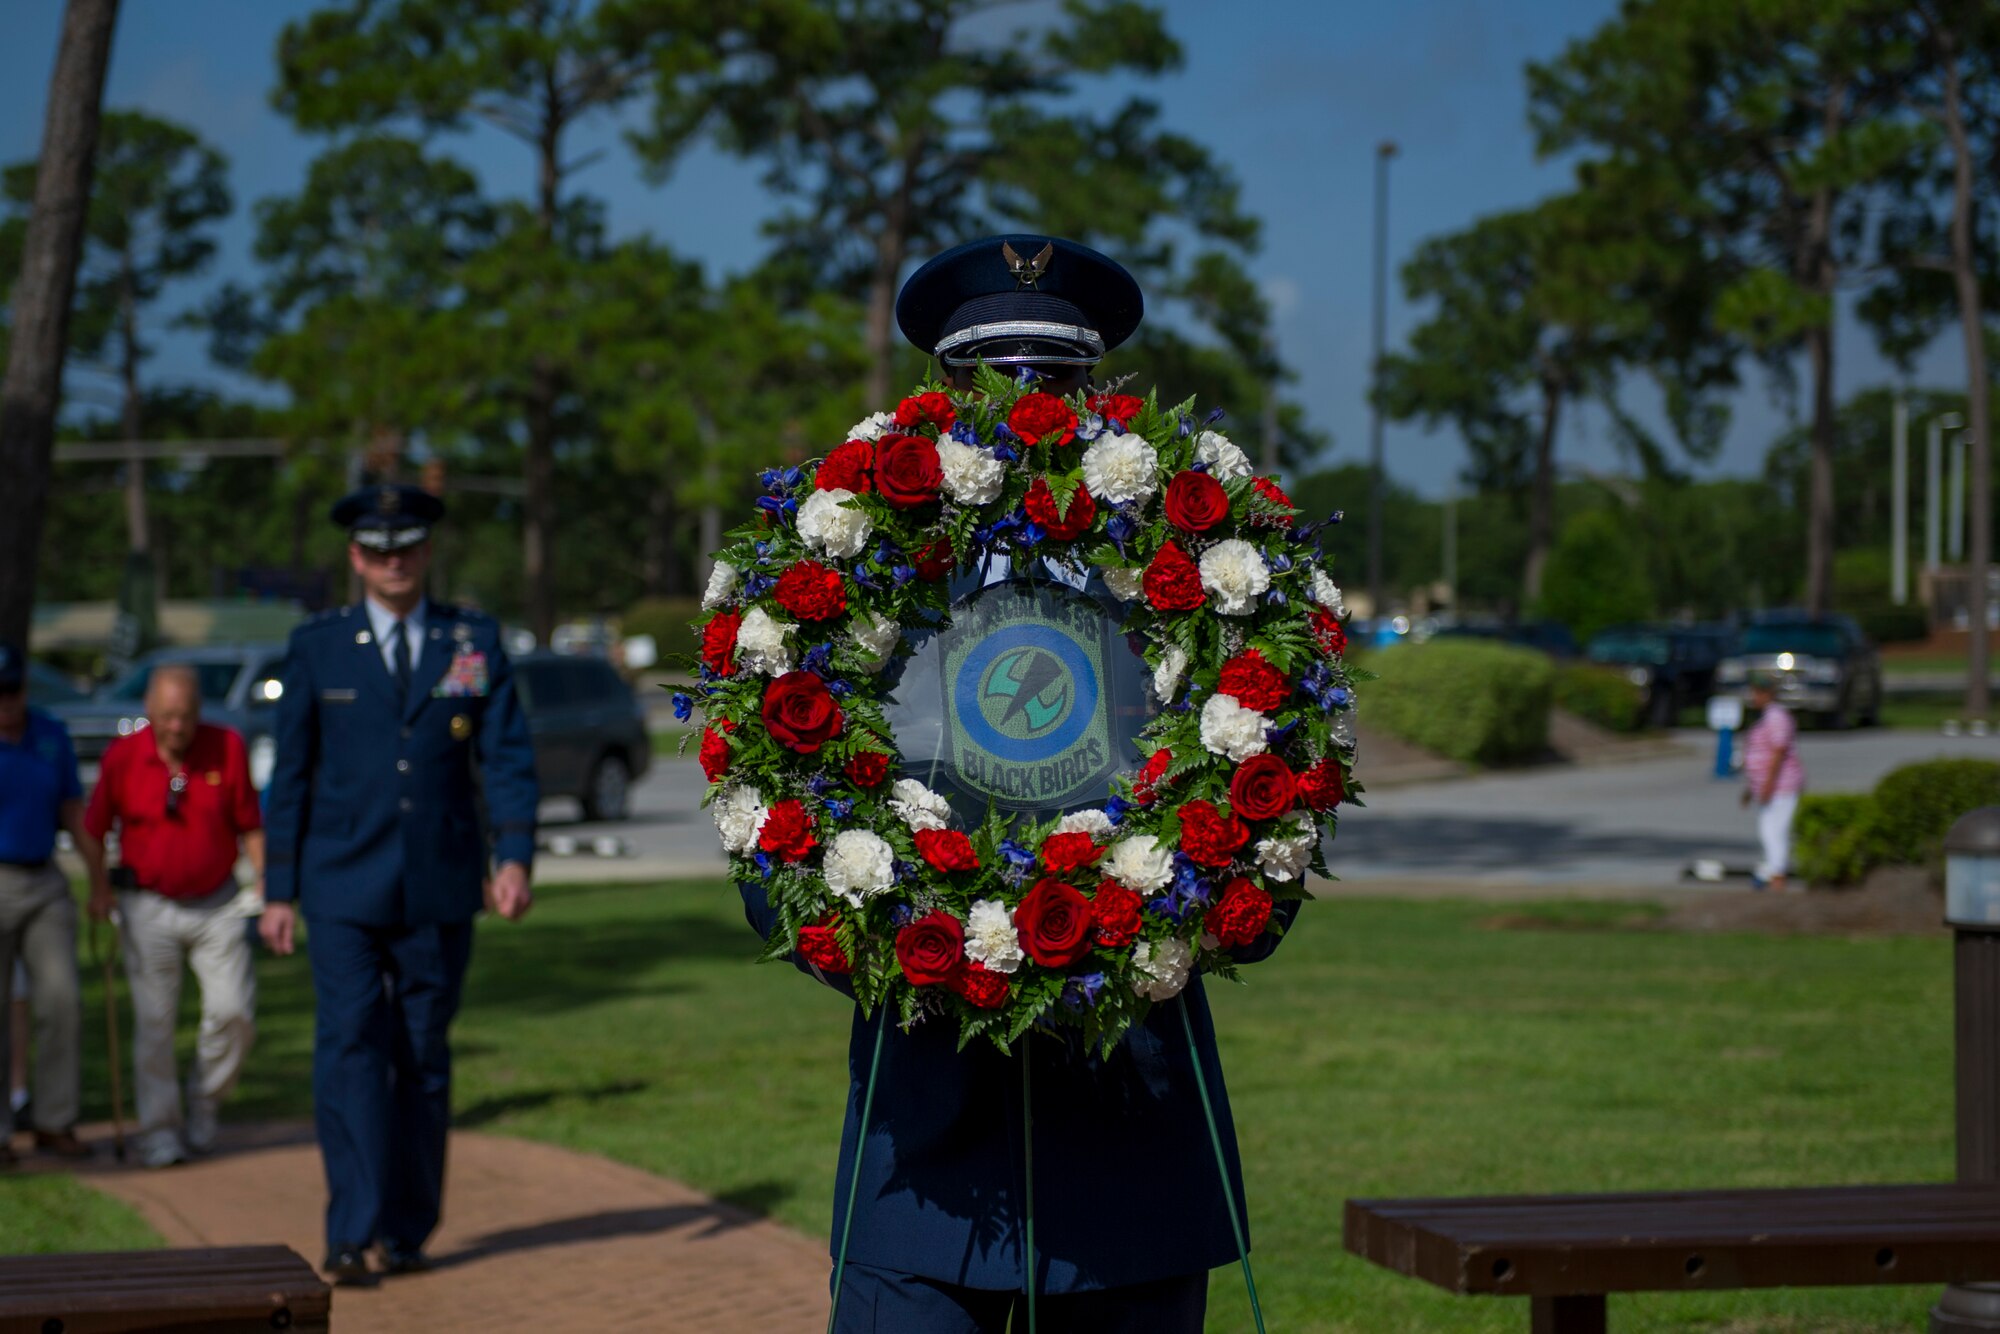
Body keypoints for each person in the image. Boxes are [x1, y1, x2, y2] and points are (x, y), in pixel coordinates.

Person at [741, 235, 1298, 1333]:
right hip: (924, 1147)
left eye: (1049, 383)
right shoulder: (865, 590)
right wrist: (865, 922)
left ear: (1091, 396)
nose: (1020, 406)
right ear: (939, 396)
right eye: (990, 380)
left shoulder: (1174, 585)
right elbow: (778, 833)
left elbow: (1260, 832)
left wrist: (1178, 915)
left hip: (1133, 1139)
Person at [261, 484, 539, 1284]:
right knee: (350, 1046)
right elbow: (294, 773)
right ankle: (350, 1231)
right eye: (378, 549)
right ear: (355, 557)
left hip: (440, 883)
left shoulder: (470, 638)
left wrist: (513, 854)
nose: (393, 561)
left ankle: (409, 1227)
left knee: (420, 1052)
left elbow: (508, 757)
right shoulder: (318, 645)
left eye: (407, 547)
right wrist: (278, 890)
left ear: (426, 552)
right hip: (340, 885)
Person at [76, 663, 263, 1168]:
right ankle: (159, 1130)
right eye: (166, 716)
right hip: (148, 906)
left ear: (199, 711)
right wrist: (99, 889)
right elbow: (93, 829)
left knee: (234, 1012)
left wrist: (266, 886)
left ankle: (204, 1102)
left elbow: (251, 824)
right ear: (149, 712)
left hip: (218, 901)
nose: (177, 726)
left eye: (185, 716)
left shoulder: (226, 746)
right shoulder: (124, 756)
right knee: (154, 1025)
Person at [0, 641, 94, 1166]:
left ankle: (55, 1120)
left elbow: (74, 811)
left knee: (61, 1000)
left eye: (11, 690)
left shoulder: (48, 734)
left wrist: (99, 880)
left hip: (43, 878)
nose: (5, 701)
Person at [1741, 672, 1805, 892]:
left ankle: (1776, 874)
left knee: (1774, 831)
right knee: (1768, 831)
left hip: (1782, 786)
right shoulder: (1764, 718)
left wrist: (1768, 783)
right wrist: (1751, 788)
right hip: (1767, 787)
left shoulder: (1776, 717)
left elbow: (1778, 752)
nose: (1754, 697)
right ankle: (1770, 871)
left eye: (1758, 692)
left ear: (1768, 694)